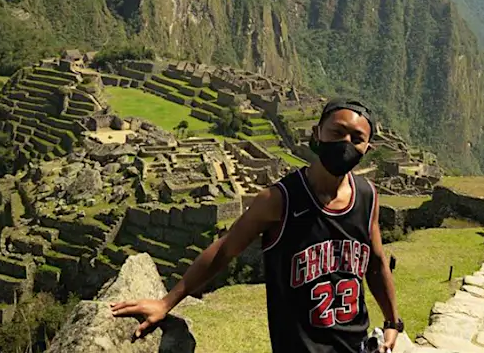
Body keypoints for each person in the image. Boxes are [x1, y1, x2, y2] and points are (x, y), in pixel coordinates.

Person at [111, 99, 402, 352]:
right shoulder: (279, 200)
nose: (345, 144)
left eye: (356, 138)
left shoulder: (367, 197)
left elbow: (375, 264)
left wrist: (392, 322)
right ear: (318, 134)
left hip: (357, 345)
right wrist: (167, 302)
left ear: (368, 147)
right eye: (337, 133)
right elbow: (224, 250)